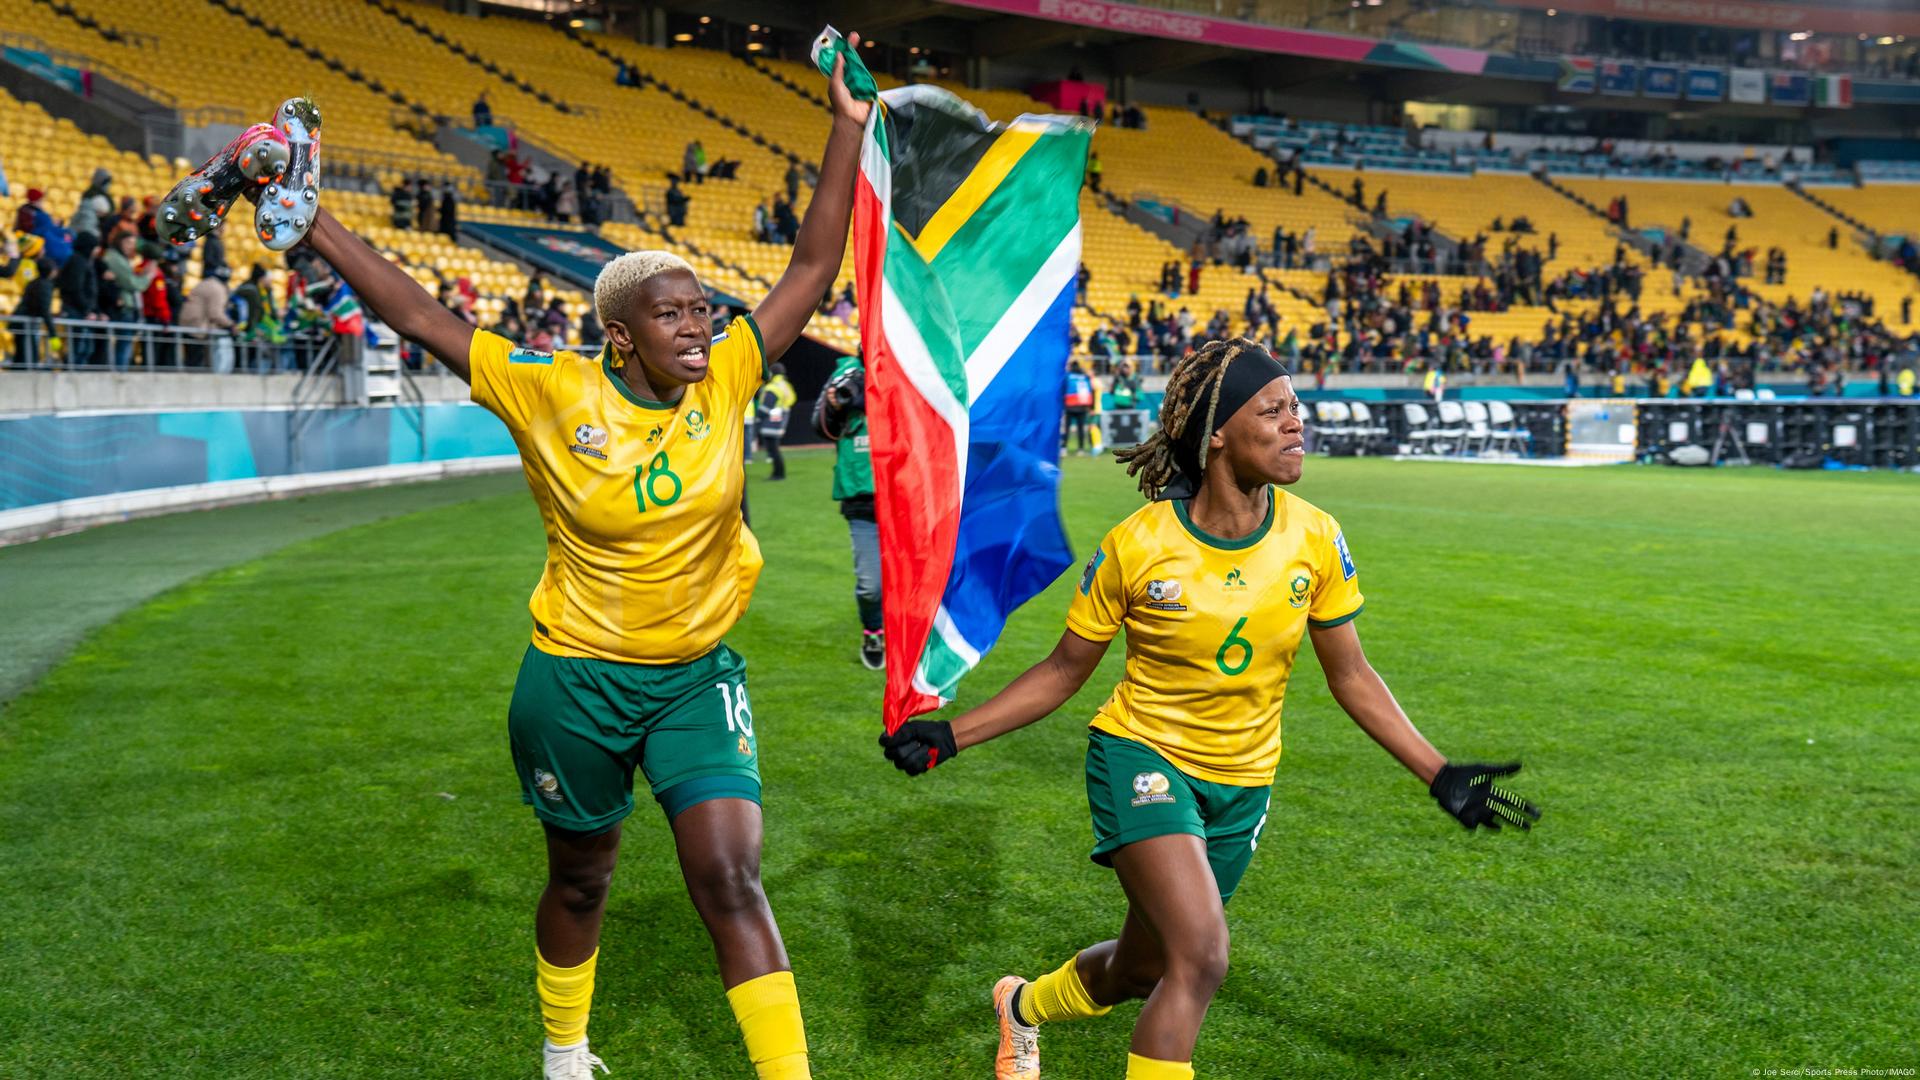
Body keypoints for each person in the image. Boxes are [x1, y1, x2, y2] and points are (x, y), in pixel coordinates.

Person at [225, 38, 872, 1080]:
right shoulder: (550, 388)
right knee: (583, 877)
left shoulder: (733, 372)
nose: (700, 328)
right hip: (573, 681)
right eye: (674, 314)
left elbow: (811, 266)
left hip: (697, 677)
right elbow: (421, 315)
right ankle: (564, 1052)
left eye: (703, 310)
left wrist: (844, 127)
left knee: (733, 876)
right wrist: (316, 230)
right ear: (620, 335)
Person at [878, 338, 1540, 1080]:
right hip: (1142, 757)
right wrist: (951, 737)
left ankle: (1022, 1008)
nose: (1297, 423)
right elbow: (1065, 671)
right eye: (1275, 409)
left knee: (1141, 969)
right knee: (1202, 955)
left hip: (1243, 785)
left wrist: (1438, 772)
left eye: (1296, 407)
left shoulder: (1315, 535)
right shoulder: (1139, 545)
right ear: (1217, 433)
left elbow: (1350, 675)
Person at [812, 354, 885, 670]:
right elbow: (820, 425)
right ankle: (873, 630)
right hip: (861, 495)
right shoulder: (846, 371)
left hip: (908, 491)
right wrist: (835, 404)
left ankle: (912, 638)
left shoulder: (913, 360)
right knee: (871, 585)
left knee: (916, 580)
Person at [757, 361, 796, 479]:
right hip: (780, 420)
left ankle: (778, 474)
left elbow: (765, 408)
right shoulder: (785, 385)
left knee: (773, 451)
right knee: (775, 450)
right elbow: (792, 400)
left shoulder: (773, 387)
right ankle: (778, 473)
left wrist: (759, 415)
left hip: (770, 423)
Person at [1063, 359, 1095, 454]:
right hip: (1082, 405)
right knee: (1081, 429)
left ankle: (1064, 448)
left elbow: (1063, 389)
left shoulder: (1068, 376)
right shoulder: (1084, 377)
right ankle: (1080, 449)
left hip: (1070, 405)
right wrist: (1091, 407)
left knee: (1067, 428)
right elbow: (1091, 391)